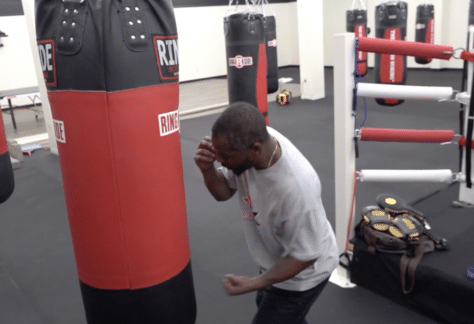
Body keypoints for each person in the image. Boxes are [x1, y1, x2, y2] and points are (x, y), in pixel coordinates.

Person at [194, 101, 338, 324]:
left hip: (304, 276)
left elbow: (306, 256)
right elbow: (222, 193)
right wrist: (207, 169)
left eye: (225, 156)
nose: (220, 160)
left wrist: (254, 282)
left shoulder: (297, 189)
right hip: (275, 260)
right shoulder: (248, 145)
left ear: (255, 149)